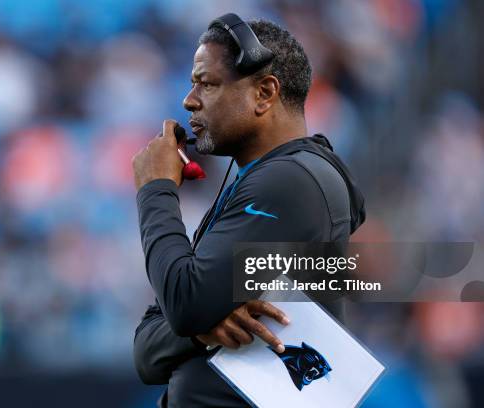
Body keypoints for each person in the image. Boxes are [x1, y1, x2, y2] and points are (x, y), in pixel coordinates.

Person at [131, 17, 366, 407]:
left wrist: (156, 188)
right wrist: (199, 330)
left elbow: (184, 304)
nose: (189, 100)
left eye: (207, 83)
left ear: (264, 92)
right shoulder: (259, 181)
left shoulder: (289, 182)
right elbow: (145, 353)